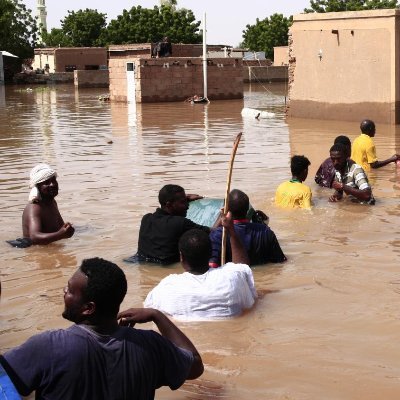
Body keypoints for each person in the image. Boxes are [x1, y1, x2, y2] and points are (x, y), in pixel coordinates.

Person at [0, 258, 203, 399]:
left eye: (70, 290)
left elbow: (4, 384)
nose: (64, 291)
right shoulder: (150, 344)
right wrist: (157, 315)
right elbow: (194, 366)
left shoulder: (48, 347)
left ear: (88, 309)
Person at [144, 212, 257, 320]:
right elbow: (242, 268)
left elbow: (149, 309)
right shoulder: (231, 278)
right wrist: (231, 230)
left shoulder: (167, 286)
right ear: (211, 253)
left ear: (181, 257)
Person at [129, 184, 210, 265]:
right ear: (168, 205)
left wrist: (184, 199)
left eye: (186, 201)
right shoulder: (180, 223)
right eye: (182, 202)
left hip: (138, 262)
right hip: (166, 267)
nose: (187, 206)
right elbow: (211, 232)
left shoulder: (146, 219)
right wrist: (221, 216)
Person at [209, 189, 286, 267]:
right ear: (248, 209)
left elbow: (212, 265)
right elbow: (281, 261)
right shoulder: (265, 231)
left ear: (226, 209)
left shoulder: (219, 235)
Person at [22, 163, 75, 245]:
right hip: (37, 252)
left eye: (54, 180)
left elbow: (60, 227)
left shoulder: (52, 202)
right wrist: (60, 235)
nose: (52, 184)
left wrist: (67, 229)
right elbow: (34, 237)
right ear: (38, 187)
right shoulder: (34, 208)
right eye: (46, 182)